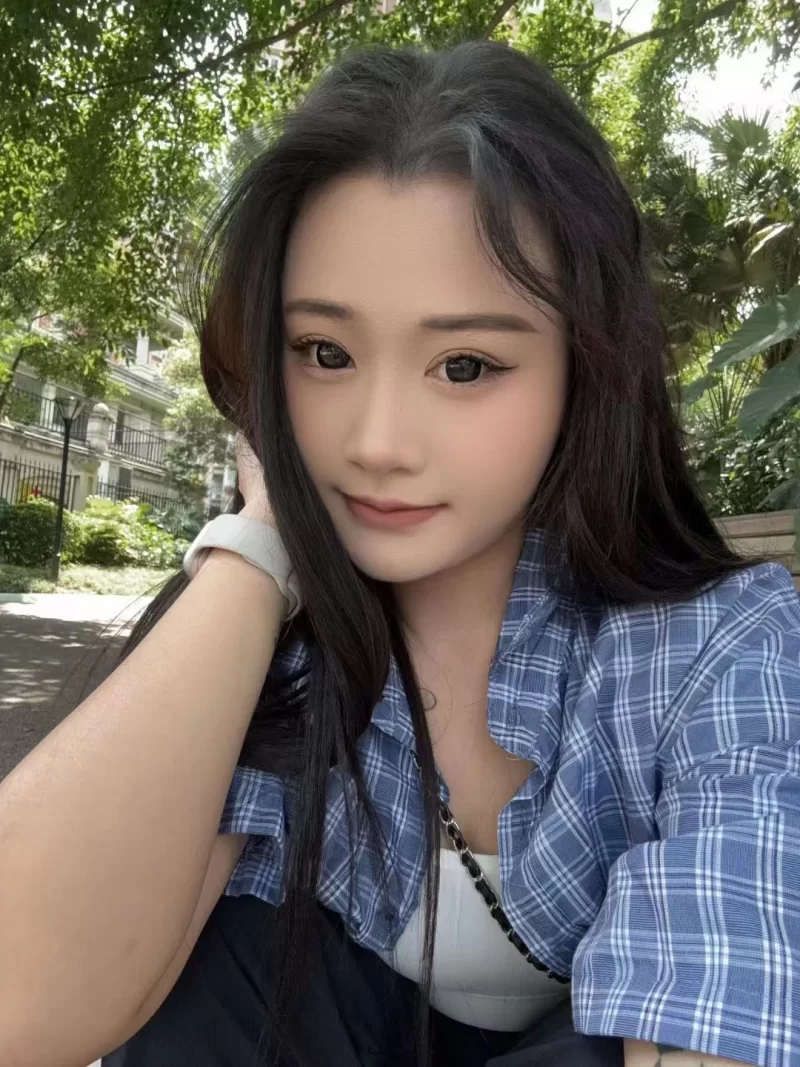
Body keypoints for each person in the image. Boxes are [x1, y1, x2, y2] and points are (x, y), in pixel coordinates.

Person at [0, 39, 798, 1067]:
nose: (374, 441)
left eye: (464, 365)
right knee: (220, 952)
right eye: (324, 353)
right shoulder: (274, 646)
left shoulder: (712, 650)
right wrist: (259, 542)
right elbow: (21, 1003)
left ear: (584, 369)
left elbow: (727, 1005)